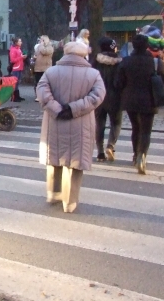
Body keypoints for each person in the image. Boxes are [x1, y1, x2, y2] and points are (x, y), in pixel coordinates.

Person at [36, 41, 106, 213]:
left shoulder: (51, 72)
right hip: (80, 123)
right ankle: (70, 201)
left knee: (54, 157)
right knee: (75, 162)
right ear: (84, 55)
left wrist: (57, 109)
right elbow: (98, 96)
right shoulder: (93, 74)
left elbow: (42, 91)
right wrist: (74, 108)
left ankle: (53, 193)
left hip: (55, 121)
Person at [115, 34, 164, 174]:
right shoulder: (155, 63)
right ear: (147, 46)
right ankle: (142, 156)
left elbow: (118, 83)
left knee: (136, 128)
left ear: (133, 46)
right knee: (146, 131)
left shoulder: (126, 61)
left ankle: (135, 155)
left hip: (130, 101)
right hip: (150, 100)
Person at [92, 37, 122, 162]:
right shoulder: (119, 62)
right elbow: (121, 81)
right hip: (115, 97)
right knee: (116, 123)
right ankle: (111, 145)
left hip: (98, 96)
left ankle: (99, 152)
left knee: (100, 123)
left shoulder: (96, 61)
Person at [33, 35, 54, 101]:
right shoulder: (38, 47)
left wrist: (41, 45)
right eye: (40, 40)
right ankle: (38, 96)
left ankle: (46, 96)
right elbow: (36, 54)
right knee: (37, 82)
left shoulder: (50, 47)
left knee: (45, 83)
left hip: (46, 67)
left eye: (41, 40)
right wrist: (34, 57)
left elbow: (45, 52)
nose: (40, 41)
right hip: (38, 68)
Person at [8, 36, 26, 101]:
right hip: (16, 68)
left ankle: (17, 95)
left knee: (18, 82)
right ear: (16, 42)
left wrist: (23, 57)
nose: (21, 42)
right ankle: (14, 97)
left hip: (20, 67)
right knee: (15, 82)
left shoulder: (18, 49)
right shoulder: (13, 49)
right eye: (20, 41)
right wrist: (21, 57)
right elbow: (12, 60)